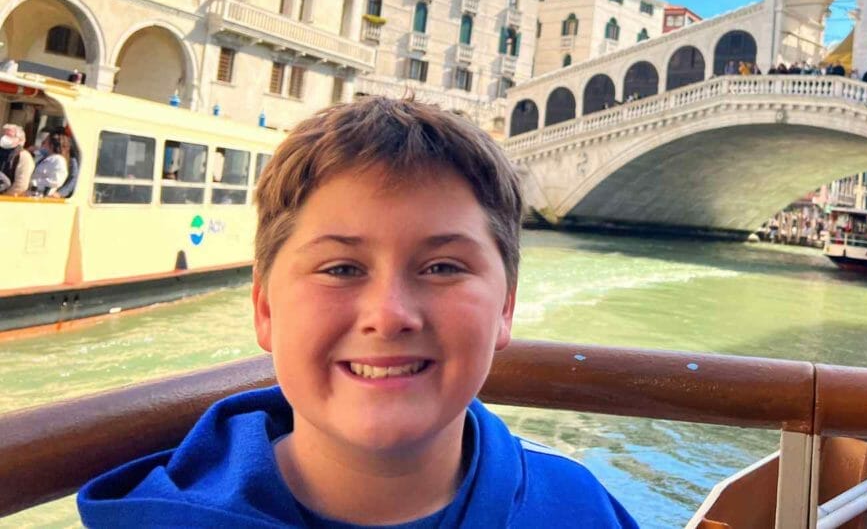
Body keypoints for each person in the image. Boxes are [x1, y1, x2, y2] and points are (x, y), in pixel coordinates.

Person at [78, 98, 638, 528]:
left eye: (443, 267)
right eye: (341, 269)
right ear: (265, 307)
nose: (389, 315)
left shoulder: (581, 508)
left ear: (506, 308)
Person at [30, 132, 70, 196]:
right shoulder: (45, 157)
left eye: (45, 142)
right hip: (31, 193)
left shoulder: (59, 160)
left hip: (41, 195)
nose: (43, 143)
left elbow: (56, 180)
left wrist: (34, 182)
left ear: (51, 145)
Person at [0, 124, 33, 196]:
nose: (4, 138)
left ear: (20, 140)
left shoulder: (24, 157)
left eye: (9, 136)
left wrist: (4, 197)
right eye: (3, 135)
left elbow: (21, 185)